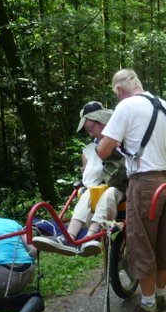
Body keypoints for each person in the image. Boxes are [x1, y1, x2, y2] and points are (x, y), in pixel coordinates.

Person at [96, 68, 166, 312]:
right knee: (160, 242)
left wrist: (122, 142)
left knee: (141, 243)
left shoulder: (125, 108)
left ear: (119, 90)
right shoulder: (164, 106)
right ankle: (159, 297)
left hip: (144, 183)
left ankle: (148, 307)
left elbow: (103, 151)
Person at [33, 101, 127, 257]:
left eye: (90, 129)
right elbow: (90, 176)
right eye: (87, 130)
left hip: (124, 185)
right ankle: (68, 236)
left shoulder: (121, 136)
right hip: (102, 185)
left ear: (102, 121)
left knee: (109, 194)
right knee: (90, 193)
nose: (90, 134)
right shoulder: (91, 148)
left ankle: (91, 236)